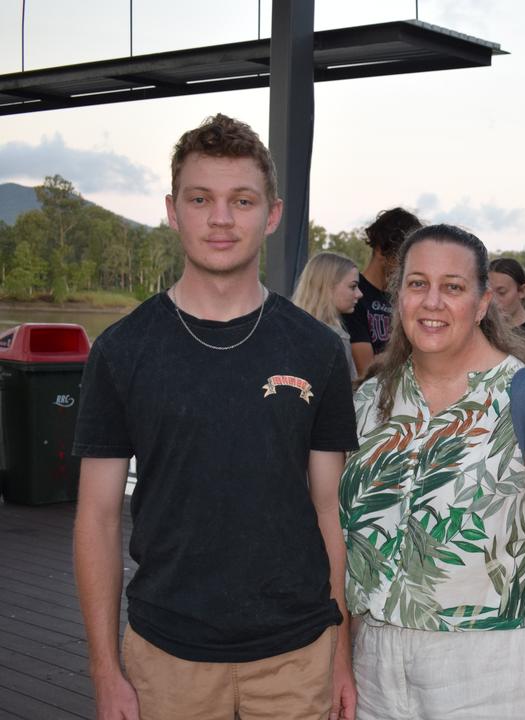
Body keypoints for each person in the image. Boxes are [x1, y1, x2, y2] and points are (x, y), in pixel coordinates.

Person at [72, 114, 358, 719]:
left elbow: (330, 508)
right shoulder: (122, 350)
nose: (221, 218)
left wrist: (340, 655)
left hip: (297, 656)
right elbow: (96, 517)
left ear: (272, 215)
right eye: (200, 199)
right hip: (165, 657)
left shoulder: (317, 349)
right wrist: (104, 668)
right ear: (173, 211)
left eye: (241, 200)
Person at [340, 224, 525, 719]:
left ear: (482, 304)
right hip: (373, 660)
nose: (432, 301)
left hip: (493, 666)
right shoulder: (370, 401)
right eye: (417, 284)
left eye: (453, 287)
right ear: (398, 298)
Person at [343, 206, 421, 378]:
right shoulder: (354, 296)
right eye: (402, 258)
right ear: (380, 250)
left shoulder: (405, 297)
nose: (407, 266)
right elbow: (366, 369)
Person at [293, 251, 363, 381]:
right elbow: (348, 396)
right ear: (328, 287)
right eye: (353, 286)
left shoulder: (287, 330)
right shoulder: (337, 339)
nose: (359, 294)